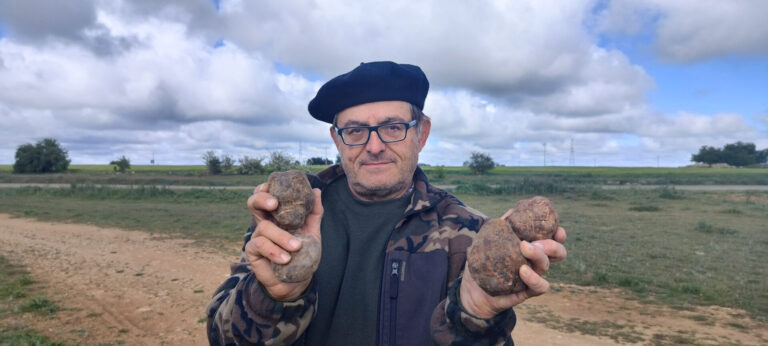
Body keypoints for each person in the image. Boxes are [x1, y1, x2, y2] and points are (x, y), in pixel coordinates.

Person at [206, 61, 567, 345]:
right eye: (355, 130)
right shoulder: (287, 221)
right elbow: (221, 338)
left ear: (421, 133)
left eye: (393, 127)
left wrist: (474, 316)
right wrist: (272, 298)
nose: (374, 145)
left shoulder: (469, 233)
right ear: (337, 138)